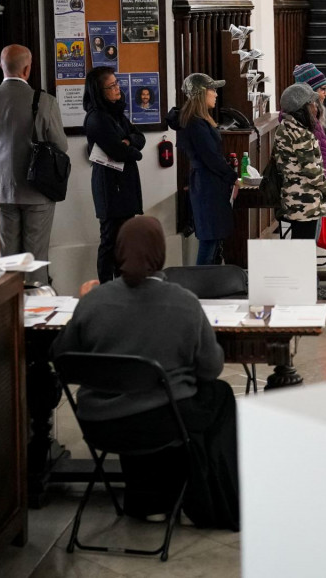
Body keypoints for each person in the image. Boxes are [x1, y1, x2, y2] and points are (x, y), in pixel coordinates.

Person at [51, 216, 239, 530]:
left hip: (100, 424)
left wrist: (83, 306)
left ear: (118, 252)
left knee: (146, 403)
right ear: (161, 254)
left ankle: (148, 501)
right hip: (163, 424)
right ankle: (208, 498)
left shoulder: (93, 301)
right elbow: (211, 368)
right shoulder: (184, 303)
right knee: (218, 396)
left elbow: (62, 356)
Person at [0, 45, 69, 283]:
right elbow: (61, 145)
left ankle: (8, 303)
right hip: (38, 190)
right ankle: (36, 302)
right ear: (27, 69)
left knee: (6, 259)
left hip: (1, 189)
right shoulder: (44, 101)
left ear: (1, 66)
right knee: (34, 258)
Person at [274, 82, 326, 300]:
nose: (316, 106)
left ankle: (306, 287)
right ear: (302, 107)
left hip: (293, 198)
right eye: (312, 103)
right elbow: (312, 172)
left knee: (300, 247)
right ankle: (306, 289)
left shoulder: (285, 128)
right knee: (304, 248)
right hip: (305, 202)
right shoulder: (300, 133)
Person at [167, 73, 236, 265]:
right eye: (213, 90)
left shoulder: (198, 120)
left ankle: (208, 280)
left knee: (213, 239)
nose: (216, 94)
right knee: (209, 240)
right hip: (207, 185)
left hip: (209, 183)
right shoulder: (195, 123)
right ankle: (201, 281)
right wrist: (232, 177)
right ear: (201, 93)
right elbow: (211, 157)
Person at [84, 66, 145, 282]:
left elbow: (140, 138)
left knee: (125, 240)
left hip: (124, 184)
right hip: (110, 186)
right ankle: (106, 287)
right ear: (99, 92)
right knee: (110, 240)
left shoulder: (116, 113)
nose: (117, 88)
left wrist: (129, 142)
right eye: (111, 86)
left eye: (116, 83)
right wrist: (133, 151)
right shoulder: (97, 118)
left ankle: (122, 285)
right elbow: (118, 152)